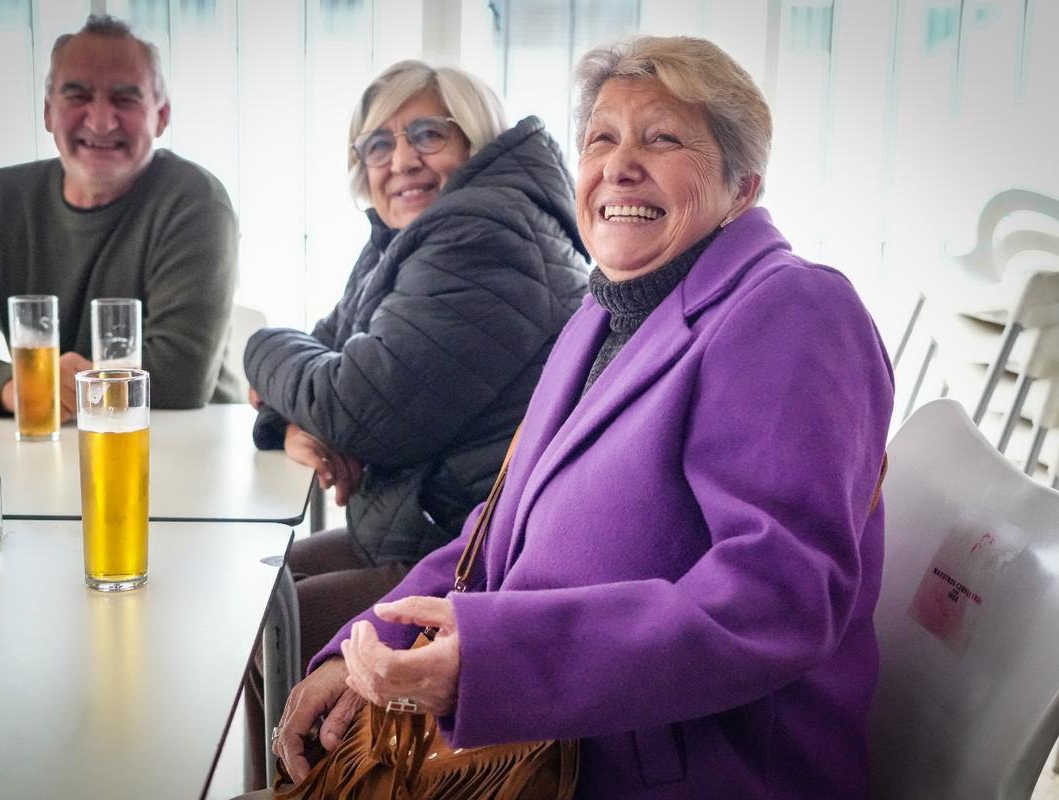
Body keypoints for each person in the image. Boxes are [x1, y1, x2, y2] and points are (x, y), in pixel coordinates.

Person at [271, 36, 894, 800]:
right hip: (543, 751)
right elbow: (493, 533)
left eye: (663, 138)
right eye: (602, 138)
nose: (620, 165)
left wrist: (494, 662)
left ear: (744, 186)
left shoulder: (794, 310)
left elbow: (777, 596)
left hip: (680, 773)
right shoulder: (603, 315)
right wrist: (365, 642)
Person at [241, 60, 590, 788]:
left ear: (477, 141)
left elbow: (349, 404)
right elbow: (326, 370)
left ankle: (315, 785)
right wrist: (293, 423)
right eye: (379, 144)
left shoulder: (484, 236)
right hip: (424, 526)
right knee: (254, 588)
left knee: (258, 622)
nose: (400, 160)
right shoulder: (410, 239)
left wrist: (258, 345)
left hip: (476, 557)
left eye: (428, 134)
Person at [0, 14, 239, 419]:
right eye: (77, 96)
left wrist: (61, 386)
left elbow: (180, 377)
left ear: (161, 116)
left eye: (126, 98)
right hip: (42, 440)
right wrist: (13, 388)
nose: (101, 121)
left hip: (185, 437)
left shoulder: (194, 200)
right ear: (48, 112)